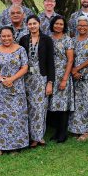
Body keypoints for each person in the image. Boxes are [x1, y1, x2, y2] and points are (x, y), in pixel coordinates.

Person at [0, 26, 29, 155]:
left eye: (8, 36)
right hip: (0, 90)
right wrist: (1, 79)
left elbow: (25, 67)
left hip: (16, 89)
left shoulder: (20, 50)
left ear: (13, 36)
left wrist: (12, 78)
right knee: (0, 118)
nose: (6, 38)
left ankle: (15, 146)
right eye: (3, 36)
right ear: (0, 37)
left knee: (16, 117)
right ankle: (1, 146)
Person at [20, 15, 55, 147]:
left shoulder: (47, 40)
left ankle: (38, 137)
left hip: (41, 78)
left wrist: (50, 82)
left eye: (35, 23)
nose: (32, 26)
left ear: (39, 24)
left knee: (40, 107)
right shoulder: (23, 39)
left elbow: (51, 62)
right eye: (30, 24)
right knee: (28, 107)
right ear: (27, 25)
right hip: (26, 78)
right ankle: (29, 136)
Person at [68, 16, 88, 141]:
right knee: (76, 103)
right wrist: (73, 71)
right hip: (74, 75)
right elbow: (69, 58)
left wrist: (77, 69)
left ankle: (86, 131)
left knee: (86, 103)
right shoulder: (72, 40)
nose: (82, 27)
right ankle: (76, 129)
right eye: (80, 25)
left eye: (84, 25)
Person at [49, 15, 75, 143]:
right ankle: (56, 131)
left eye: (61, 24)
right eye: (56, 23)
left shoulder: (67, 39)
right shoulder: (48, 38)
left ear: (64, 26)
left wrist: (65, 79)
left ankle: (63, 133)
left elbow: (70, 60)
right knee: (53, 105)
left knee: (63, 105)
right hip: (51, 75)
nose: (58, 26)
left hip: (63, 74)